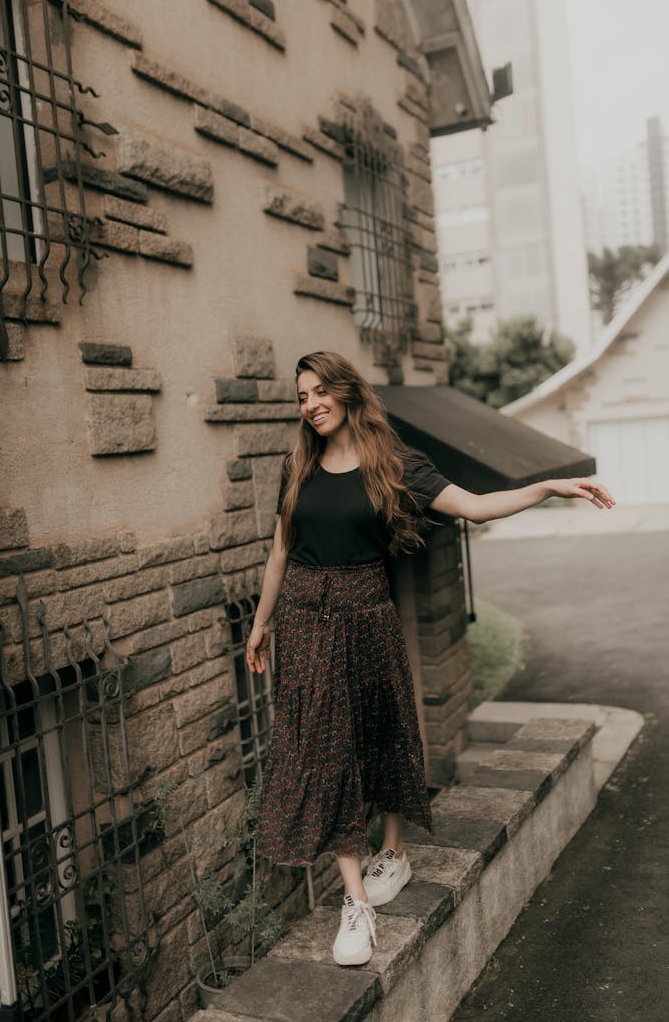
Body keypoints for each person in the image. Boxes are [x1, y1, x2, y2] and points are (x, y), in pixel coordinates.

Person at [245, 350, 614, 967]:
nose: (309, 405)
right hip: (306, 623)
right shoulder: (296, 468)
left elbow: (473, 506)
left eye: (318, 392)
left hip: (366, 615)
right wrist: (261, 625)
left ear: (346, 392)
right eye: (300, 396)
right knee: (322, 750)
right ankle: (356, 902)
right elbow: (280, 551)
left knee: (385, 733)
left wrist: (548, 486)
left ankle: (394, 849)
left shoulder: (394, 465)